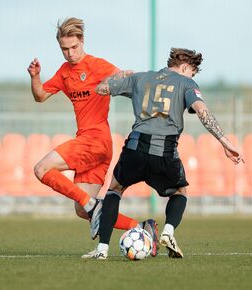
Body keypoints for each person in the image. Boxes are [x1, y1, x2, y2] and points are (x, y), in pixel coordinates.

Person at [83, 48, 245, 260]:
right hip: (165, 151)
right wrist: (225, 141)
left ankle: (102, 250)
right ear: (186, 67)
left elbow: (101, 89)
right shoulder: (187, 84)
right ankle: (168, 232)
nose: (192, 78)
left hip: (135, 147)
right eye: (192, 73)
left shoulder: (139, 78)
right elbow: (203, 111)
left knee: (114, 190)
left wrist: (119, 77)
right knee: (180, 193)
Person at [27, 17, 158, 250]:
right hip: (94, 146)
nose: (69, 53)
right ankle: (141, 228)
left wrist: (131, 79)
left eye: (74, 47)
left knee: (41, 169)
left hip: (95, 140)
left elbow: (125, 81)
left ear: (82, 41)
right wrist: (35, 77)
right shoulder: (64, 73)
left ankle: (93, 205)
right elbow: (40, 96)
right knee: (81, 209)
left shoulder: (97, 66)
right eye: (64, 49)